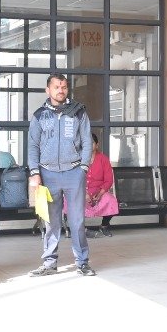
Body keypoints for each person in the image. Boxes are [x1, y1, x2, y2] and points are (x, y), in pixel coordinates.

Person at [26, 73, 94, 276]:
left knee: (77, 221)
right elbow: (32, 145)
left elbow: (87, 142)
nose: (61, 90)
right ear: (48, 90)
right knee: (50, 221)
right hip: (48, 174)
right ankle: (49, 263)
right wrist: (35, 172)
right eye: (56, 87)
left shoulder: (78, 112)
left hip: (74, 173)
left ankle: (82, 262)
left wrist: (83, 168)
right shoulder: (40, 115)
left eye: (64, 87)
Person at [84, 132, 115, 238]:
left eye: (92, 142)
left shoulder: (103, 159)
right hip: (81, 191)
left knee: (111, 200)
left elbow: (108, 180)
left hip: (99, 191)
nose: (89, 145)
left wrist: (100, 194)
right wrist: (84, 193)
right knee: (71, 201)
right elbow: (75, 179)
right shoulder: (78, 159)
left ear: (97, 145)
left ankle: (104, 226)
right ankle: (81, 229)